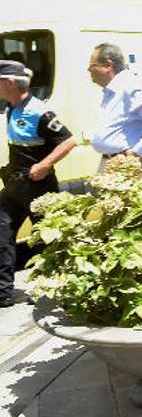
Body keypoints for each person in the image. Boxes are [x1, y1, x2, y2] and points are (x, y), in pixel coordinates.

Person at [0, 60, 76, 307]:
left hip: (39, 188)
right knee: (2, 234)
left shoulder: (40, 111)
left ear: (10, 83)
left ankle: (60, 289)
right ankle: (3, 293)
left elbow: (67, 140)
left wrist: (44, 165)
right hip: (14, 186)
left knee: (47, 239)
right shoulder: (12, 107)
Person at [89, 43, 142, 172]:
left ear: (108, 65)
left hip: (129, 165)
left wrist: (138, 151)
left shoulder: (130, 86)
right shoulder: (114, 89)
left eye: (92, 66)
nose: (89, 70)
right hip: (113, 163)